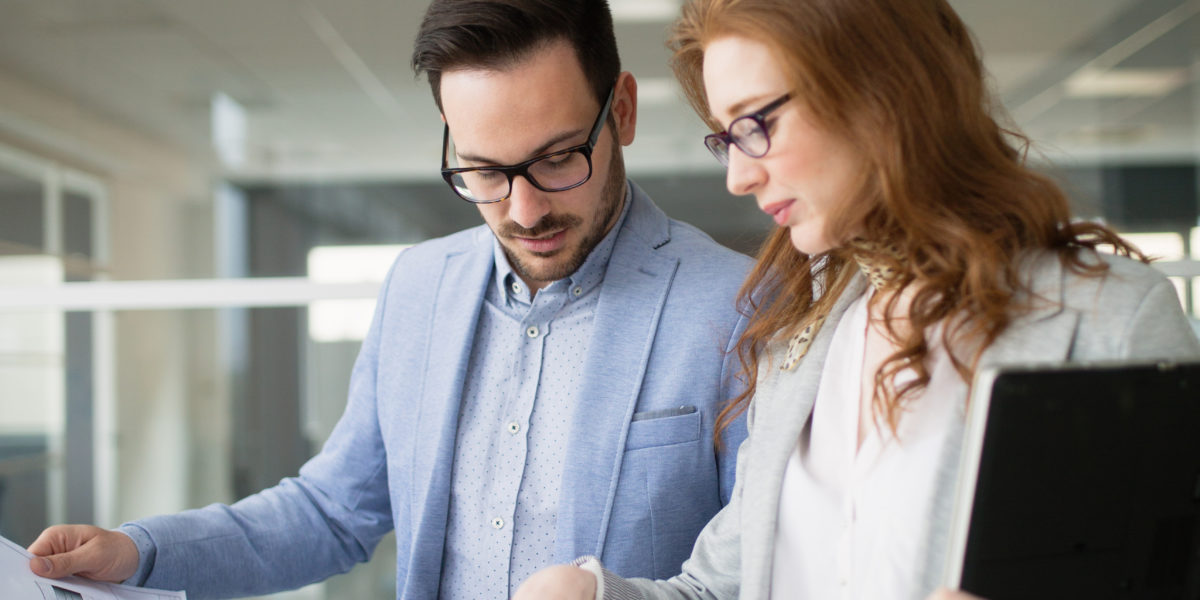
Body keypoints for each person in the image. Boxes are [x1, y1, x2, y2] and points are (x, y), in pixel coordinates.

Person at [26, 1, 753, 598]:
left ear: (621, 111)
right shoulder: (417, 289)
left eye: (559, 157)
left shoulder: (737, 304)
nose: (524, 209)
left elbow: (762, 570)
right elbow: (331, 511)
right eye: (482, 171)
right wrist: (141, 550)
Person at [513, 0, 1200, 598]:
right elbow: (721, 588)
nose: (740, 177)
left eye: (757, 125)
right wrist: (595, 594)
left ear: (879, 90)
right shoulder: (801, 338)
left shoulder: (1109, 322)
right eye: (727, 140)